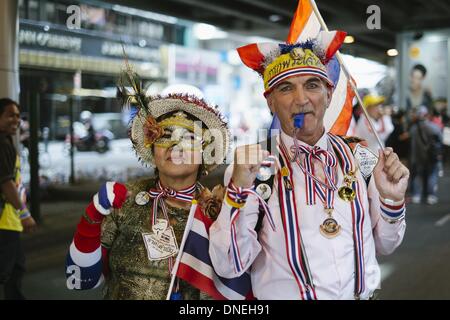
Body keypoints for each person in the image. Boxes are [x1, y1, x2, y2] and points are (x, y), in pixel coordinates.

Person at [208, 31, 410, 300]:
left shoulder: (360, 156)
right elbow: (230, 265)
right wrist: (237, 192)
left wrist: (392, 201)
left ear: (328, 94)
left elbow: (386, 244)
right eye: (286, 88)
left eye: (312, 85)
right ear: (270, 101)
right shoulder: (256, 165)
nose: (301, 99)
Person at [65, 65, 230, 300]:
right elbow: (80, 281)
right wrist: (93, 216)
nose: (176, 146)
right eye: (165, 135)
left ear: (205, 152)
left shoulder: (220, 211)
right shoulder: (124, 200)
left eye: (189, 137)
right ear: (152, 148)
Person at [0, 98, 37, 300]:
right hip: (4, 222)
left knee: (15, 269)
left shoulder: (5, 142)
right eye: (10, 115)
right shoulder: (2, 145)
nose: (16, 119)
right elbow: (6, 183)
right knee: (7, 272)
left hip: (9, 221)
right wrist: (25, 213)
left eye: (17, 115)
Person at [409, 106, 442, 205]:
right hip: (430, 156)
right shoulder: (433, 127)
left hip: (417, 157)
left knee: (417, 176)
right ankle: (431, 196)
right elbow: (440, 139)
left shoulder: (413, 128)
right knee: (432, 175)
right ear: (427, 115)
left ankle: (416, 195)